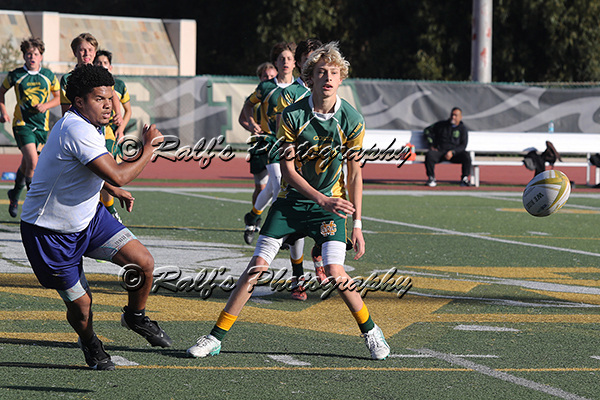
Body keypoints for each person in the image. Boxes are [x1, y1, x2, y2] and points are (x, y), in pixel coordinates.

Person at [187, 42, 391, 361]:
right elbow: (288, 172)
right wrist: (322, 199)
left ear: (341, 78)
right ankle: (215, 337)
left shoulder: (352, 119)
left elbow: (354, 174)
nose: (327, 77)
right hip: (291, 202)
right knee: (256, 268)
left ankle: (372, 332)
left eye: (333, 72)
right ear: (309, 78)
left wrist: (358, 224)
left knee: (336, 271)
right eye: (321, 72)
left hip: (329, 207)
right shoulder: (293, 115)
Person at [20, 64, 172, 371]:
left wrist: (111, 189)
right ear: (79, 102)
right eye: (99, 99)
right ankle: (90, 342)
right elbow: (118, 172)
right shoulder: (76, 128)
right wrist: (149, 148)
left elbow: (80, 169)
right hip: (50, 233)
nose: (108, 105)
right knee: (83, 306)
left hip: (89, 218)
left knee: (143, 263)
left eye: (110, 98)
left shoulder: (89, 124)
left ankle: (135, 317)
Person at [239, 41, 296, 245]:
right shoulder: (266, 87)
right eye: (281, 59)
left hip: (294, 144)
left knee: (273, 186)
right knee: (279, 182)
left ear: (295, 62)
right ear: (276, 62)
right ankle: (279, 229)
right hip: (270, 141)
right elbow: (248, 105)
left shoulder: (301, 87)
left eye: (289, 58)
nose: (285, 62)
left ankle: (253, 216)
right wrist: (252, 122)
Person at [0, 37, 60, 218]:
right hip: (22, 124)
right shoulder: (16, 75)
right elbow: (1, 92)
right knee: (34, 162)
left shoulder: (49, 75)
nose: (32, 57)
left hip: (41, 126)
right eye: (28, 54)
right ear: (24, 56)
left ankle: (14, 194)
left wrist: (46, 106)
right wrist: (3, 111)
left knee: (27, 163)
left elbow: (58, 97)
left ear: (41, 56)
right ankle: (34, 204)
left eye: (35, 54)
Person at [94, 50, 133, 222]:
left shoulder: (119, 85)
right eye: (98, 62)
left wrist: (121, 128)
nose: (101, 65)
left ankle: (109, 211)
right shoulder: (92, 85)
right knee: (98, 172)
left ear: (110, 66)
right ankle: (106, 210)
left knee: (106, 169)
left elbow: (127, 111)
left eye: (105, 63)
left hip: (109, 132)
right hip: (94, 130)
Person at [423, 107, 472, 187]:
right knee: (430, 155)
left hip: (454, 154)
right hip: (440, 152)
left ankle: (464, 179)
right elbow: (427, 131)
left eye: (456, 115)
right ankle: (431, 178)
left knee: (466, 156)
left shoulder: (463, 129)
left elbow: (463, 145)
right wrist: (431, 144)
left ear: (460, 117)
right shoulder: (441, 125)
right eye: (452, 115)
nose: (453, 117)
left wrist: (453, 152)